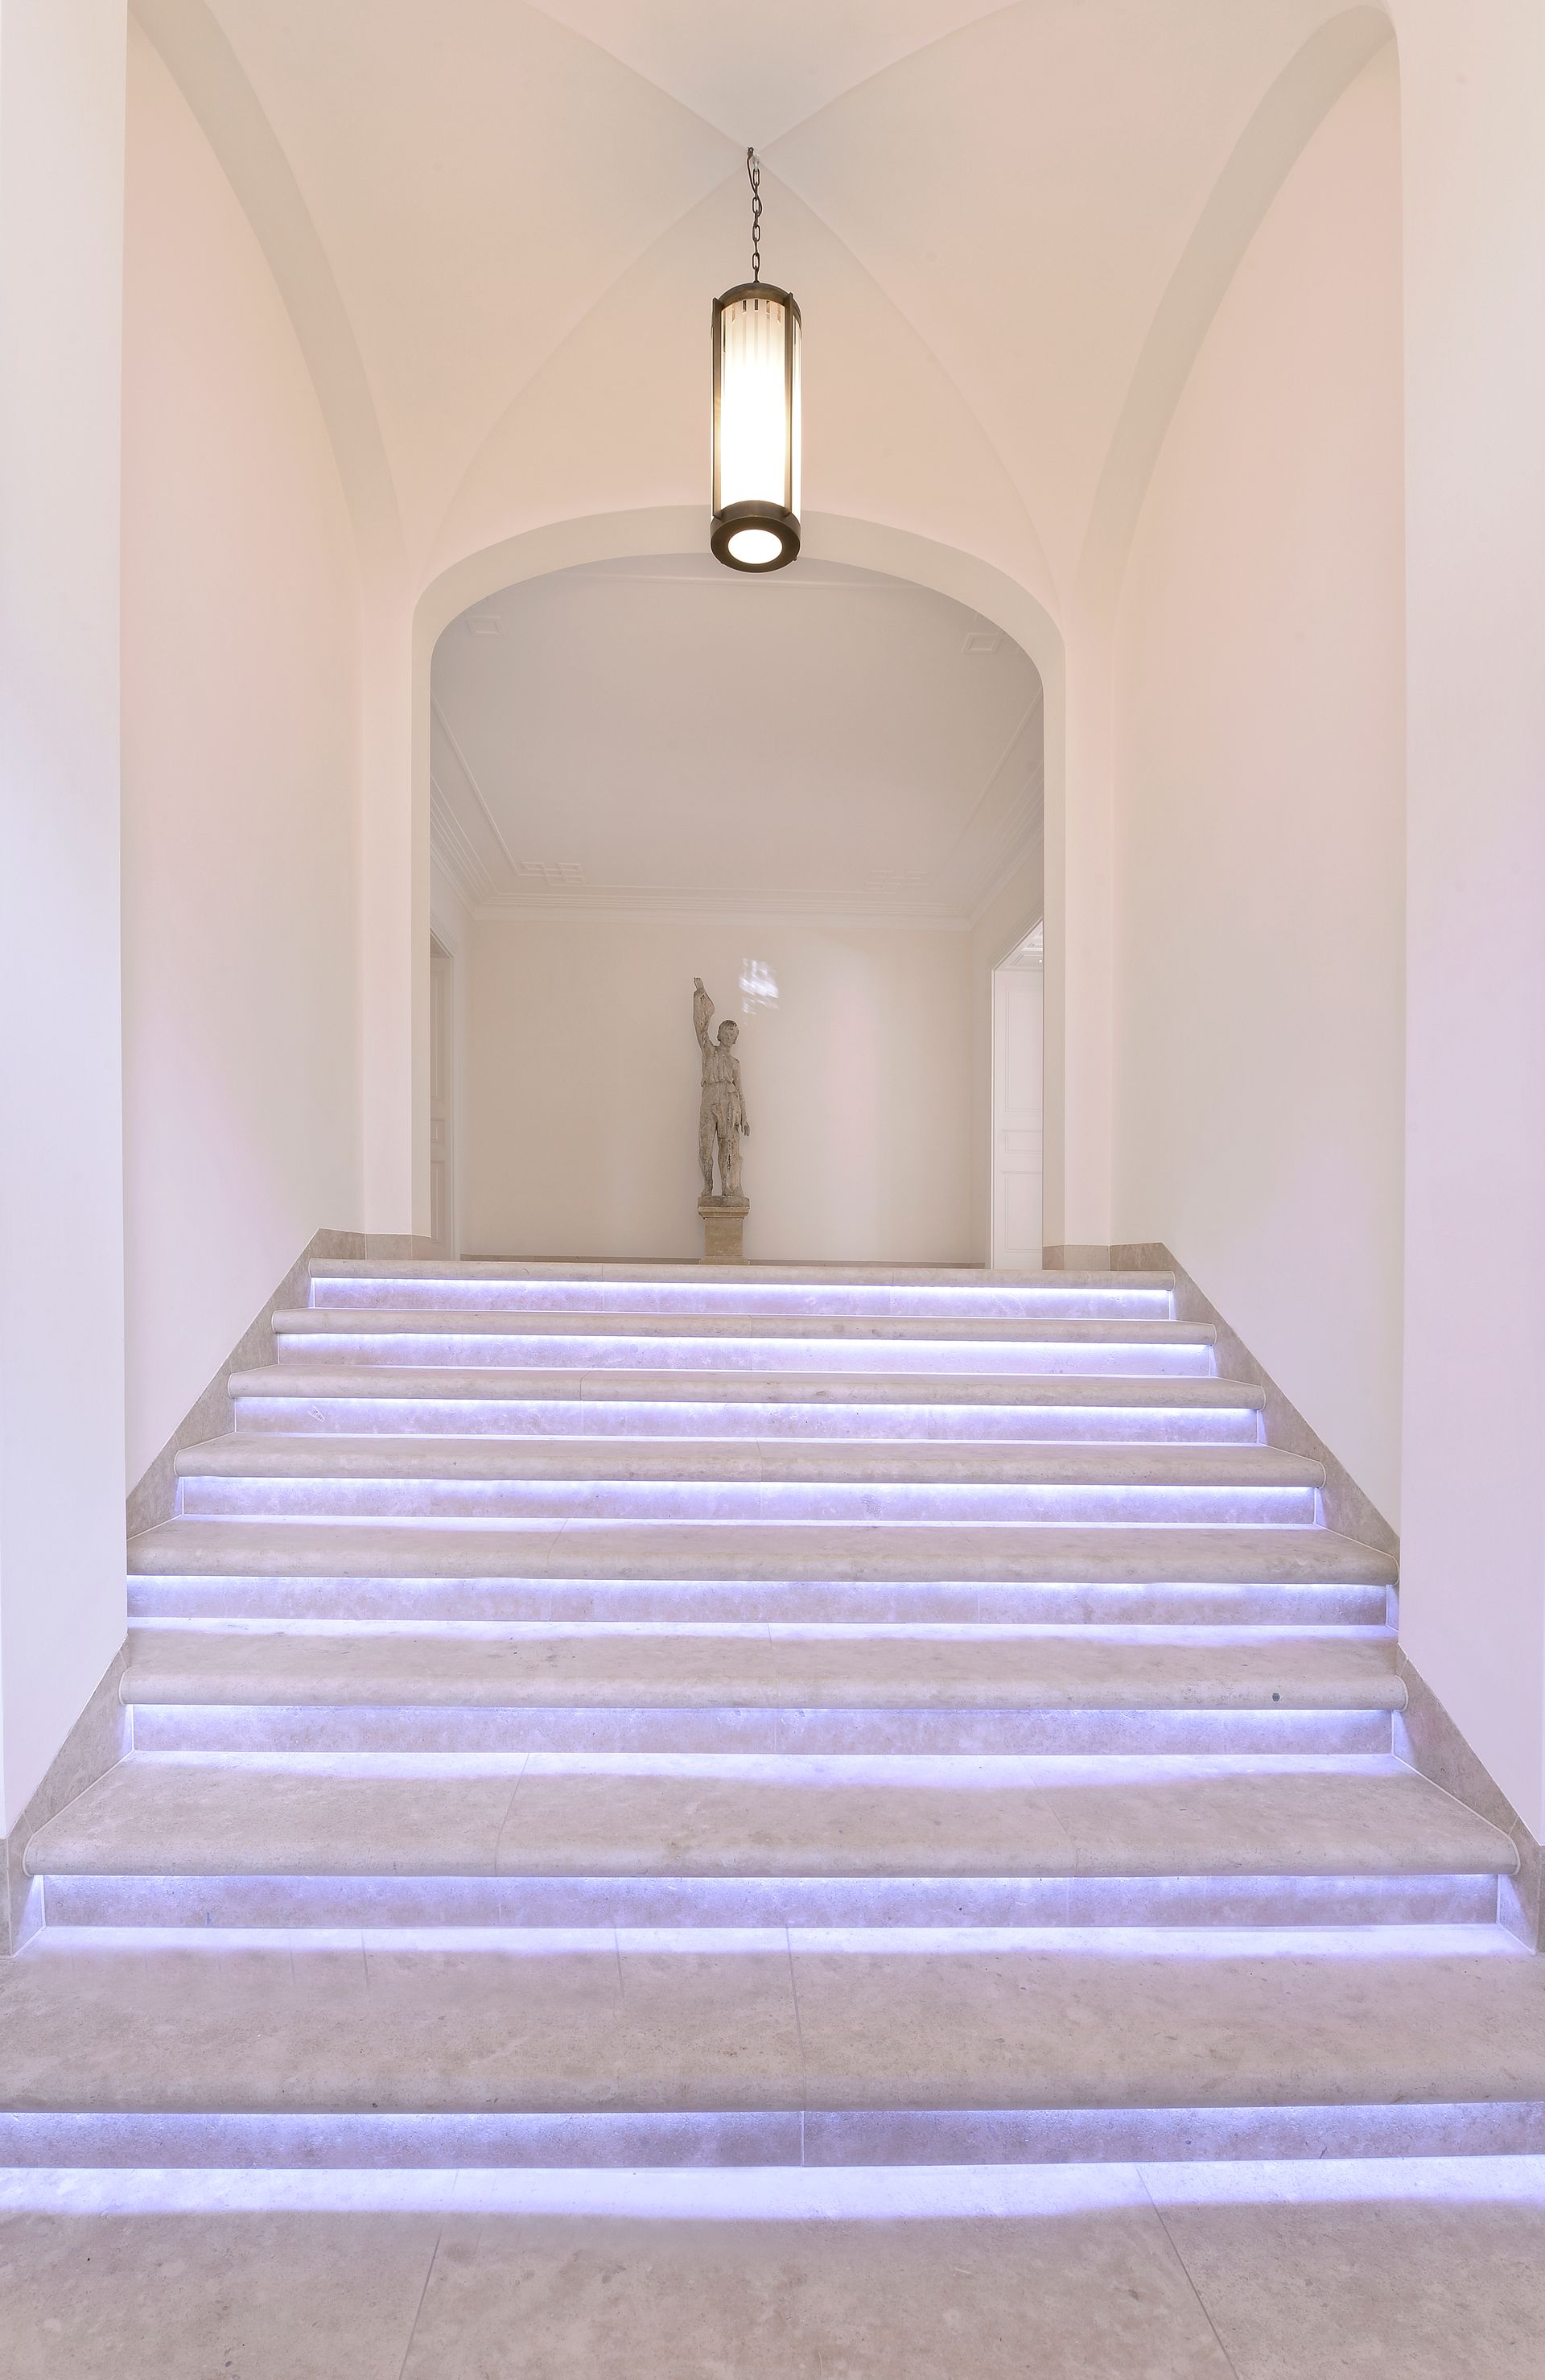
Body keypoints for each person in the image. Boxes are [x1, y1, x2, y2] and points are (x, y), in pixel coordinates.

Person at [693, 977, 750, 1200]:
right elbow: (700, 1029)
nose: (728, 1037)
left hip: (729, 1103)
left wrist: (744, 1118)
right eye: (725, 1033)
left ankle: (728, 1188)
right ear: (719, 1035)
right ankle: (708, 1186)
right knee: (705, 1147)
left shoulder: (735, 1065)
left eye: (732, 1034)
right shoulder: (709, 1052)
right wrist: (700, 995)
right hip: (710, 1099)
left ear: (735, 1039)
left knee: (728, 1149)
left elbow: (741, 1092)